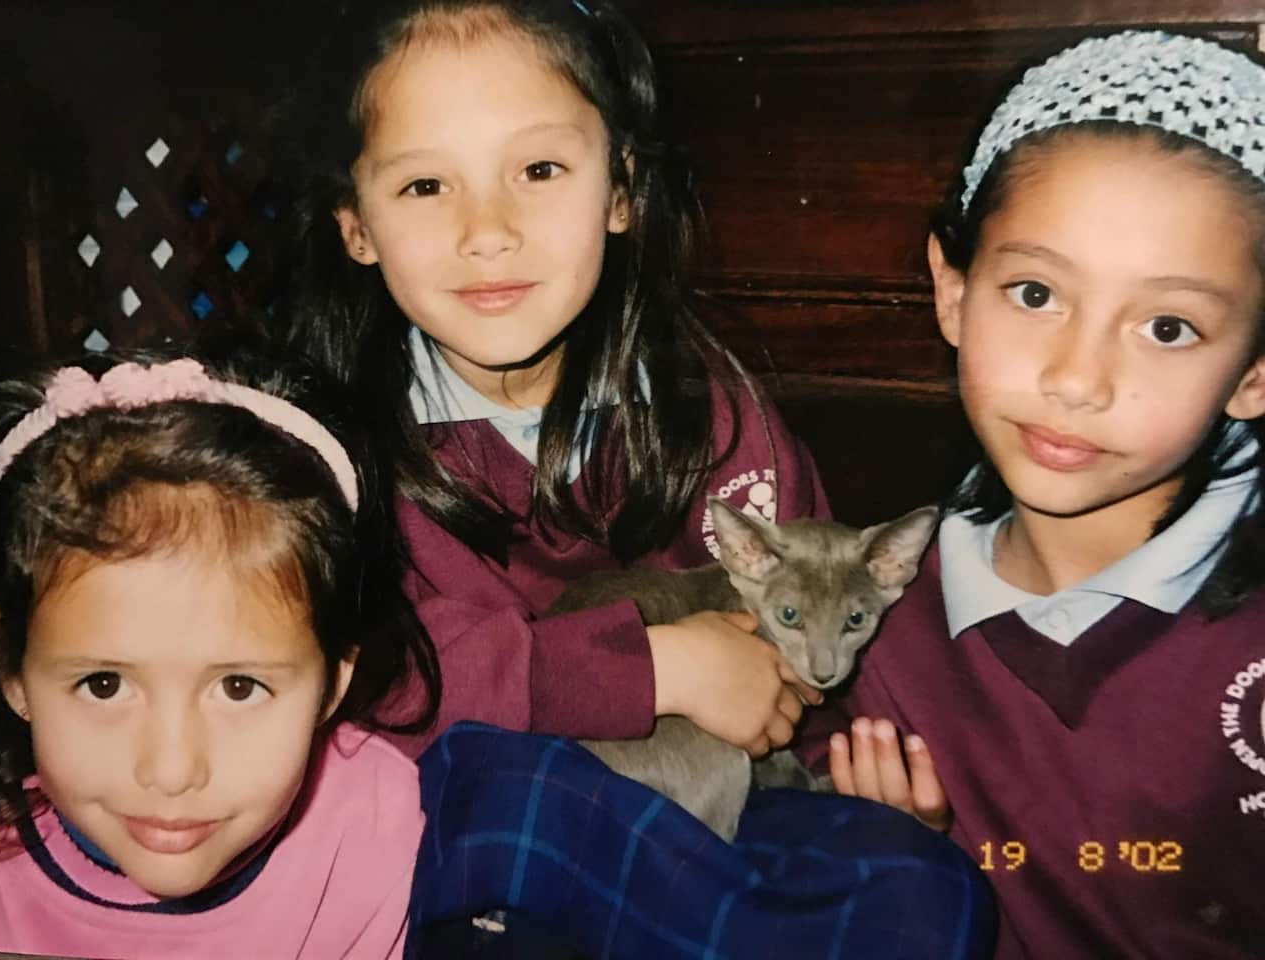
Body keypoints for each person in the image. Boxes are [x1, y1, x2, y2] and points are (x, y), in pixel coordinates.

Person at [801, 29, 1265, 959]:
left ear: (1255, 371)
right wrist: (911, 864)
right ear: (953, 291)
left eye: (1167, 326)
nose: (1077, 378)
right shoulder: (872, 619)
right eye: (1036, 294)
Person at [279, 0, 828, 760]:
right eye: (426, 186)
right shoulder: (324, 456)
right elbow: (344, 679)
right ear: (356, 227)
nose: (489, 233)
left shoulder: (719, 423)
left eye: (539, 170)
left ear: (620, 192)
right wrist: (654, 670)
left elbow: (825, 671)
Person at [0, 342, 441, 957]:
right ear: (11, 669)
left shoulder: (377, 835)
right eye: (103, 684)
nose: (171, 772)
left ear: (333, 681)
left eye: (238, 686)